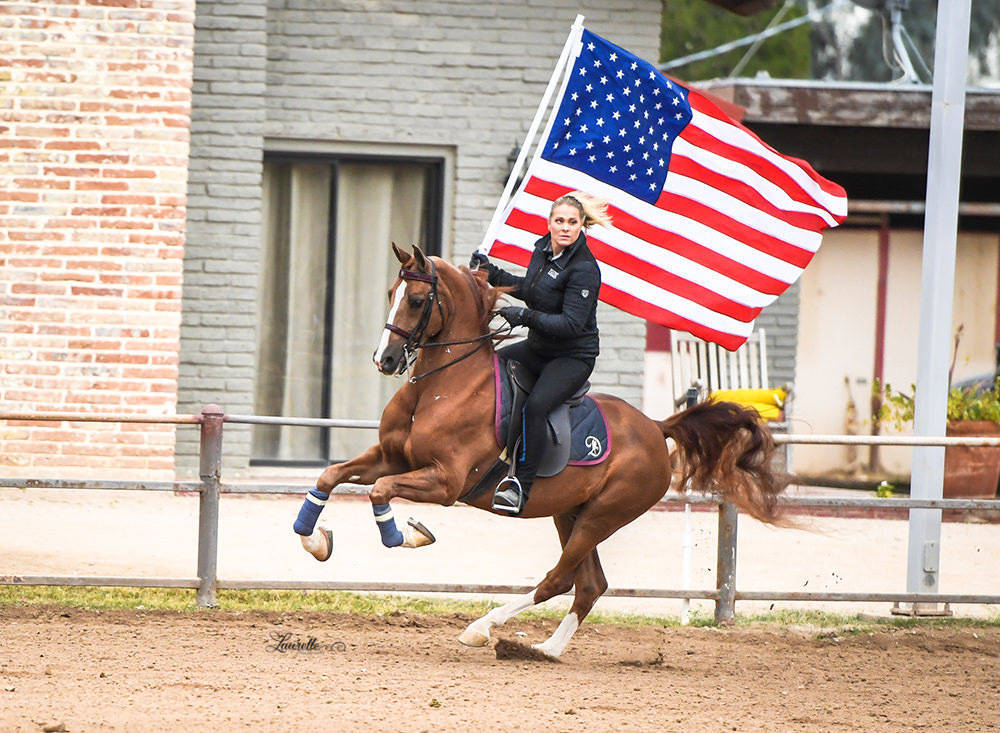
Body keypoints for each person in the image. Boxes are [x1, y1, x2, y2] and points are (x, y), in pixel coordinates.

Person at [470, 192, 610, 515]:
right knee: (492, 368)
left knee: (536, 407)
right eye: (559, 221)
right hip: (539, 348)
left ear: (581, 227)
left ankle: (521, 485)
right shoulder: (542, 250)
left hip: (571, 358)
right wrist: (491, 274)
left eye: (572, 222)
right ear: (549, 223)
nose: (564, 228)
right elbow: (533, 290)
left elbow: (571, 325)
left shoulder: (585, 269)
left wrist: (523, 316)